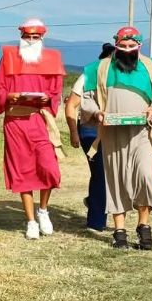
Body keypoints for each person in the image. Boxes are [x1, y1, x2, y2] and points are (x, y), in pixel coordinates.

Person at [81, 26, 152, 250]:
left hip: (143, 134)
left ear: (139, 46)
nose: (127, 50)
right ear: (116, 46)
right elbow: (87, 100)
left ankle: (144, 227)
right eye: (122, 47)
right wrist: (97, 113)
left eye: (131, 47)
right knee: (117, 180)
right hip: (112, 134)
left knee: (145, 177)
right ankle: (120, 232)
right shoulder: (100, 69)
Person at [0, 18, 66, 240]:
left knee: (49, 167)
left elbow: (56, 91)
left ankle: (43, 210)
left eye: (36, 37)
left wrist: (47, 99)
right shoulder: (9, 57)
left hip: (38, 120)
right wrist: (9, 96)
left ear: (42, 38)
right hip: (14, 122)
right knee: (22, 169)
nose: (31, 41)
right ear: (21, 37)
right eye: (27, 37)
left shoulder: (51, 59)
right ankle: (31, 221)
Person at [64, 43, 114, 231]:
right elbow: (71, 105)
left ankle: (94, 201)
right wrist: (73, 133)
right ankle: (96, 221)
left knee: (110, 174)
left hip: (113, 131)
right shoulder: (87, 76)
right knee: (101, 172)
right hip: (90, 130)